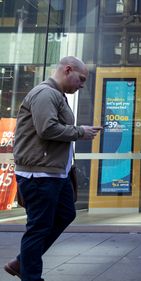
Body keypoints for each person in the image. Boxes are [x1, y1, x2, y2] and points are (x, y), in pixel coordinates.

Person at [4, 56, 101, 280]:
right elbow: (46, 129)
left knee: (65, 214)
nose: (82, 84)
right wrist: (80, 132)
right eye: (81, 78)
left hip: (54, 173)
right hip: (40, 175)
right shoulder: (45, 93)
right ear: (68, 70)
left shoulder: (56, 95)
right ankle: (30, 274)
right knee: (38, 228)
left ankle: (22, 262)